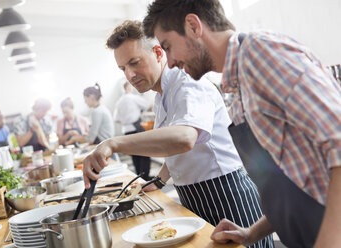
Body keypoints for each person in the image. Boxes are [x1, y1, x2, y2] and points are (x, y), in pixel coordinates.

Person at [143, 0, 341, 247]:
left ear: (193, 26)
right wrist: (251, 232)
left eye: (168, 46)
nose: (170, 62)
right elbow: (291, 180)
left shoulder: (261, 53)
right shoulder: (235, 87)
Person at [83, 20, 273, 248]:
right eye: (123, 68)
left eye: (134, 62)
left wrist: (113, 144)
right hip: (193, 195)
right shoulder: (160, 96)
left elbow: (184, 138)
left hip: (226, 193)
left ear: (157, 52)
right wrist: (161, 179)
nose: (130, 75)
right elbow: (173, 148)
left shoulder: (189, 83)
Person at [113, 82, 152, 180]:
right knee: (145, 153)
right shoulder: (133, 97)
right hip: (136, 128)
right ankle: (145, 178)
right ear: (130, 87)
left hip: (126, 130)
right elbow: (148, 105)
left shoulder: (119, 101)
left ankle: (139, 176)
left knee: (135, 155)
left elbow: (116, 119)